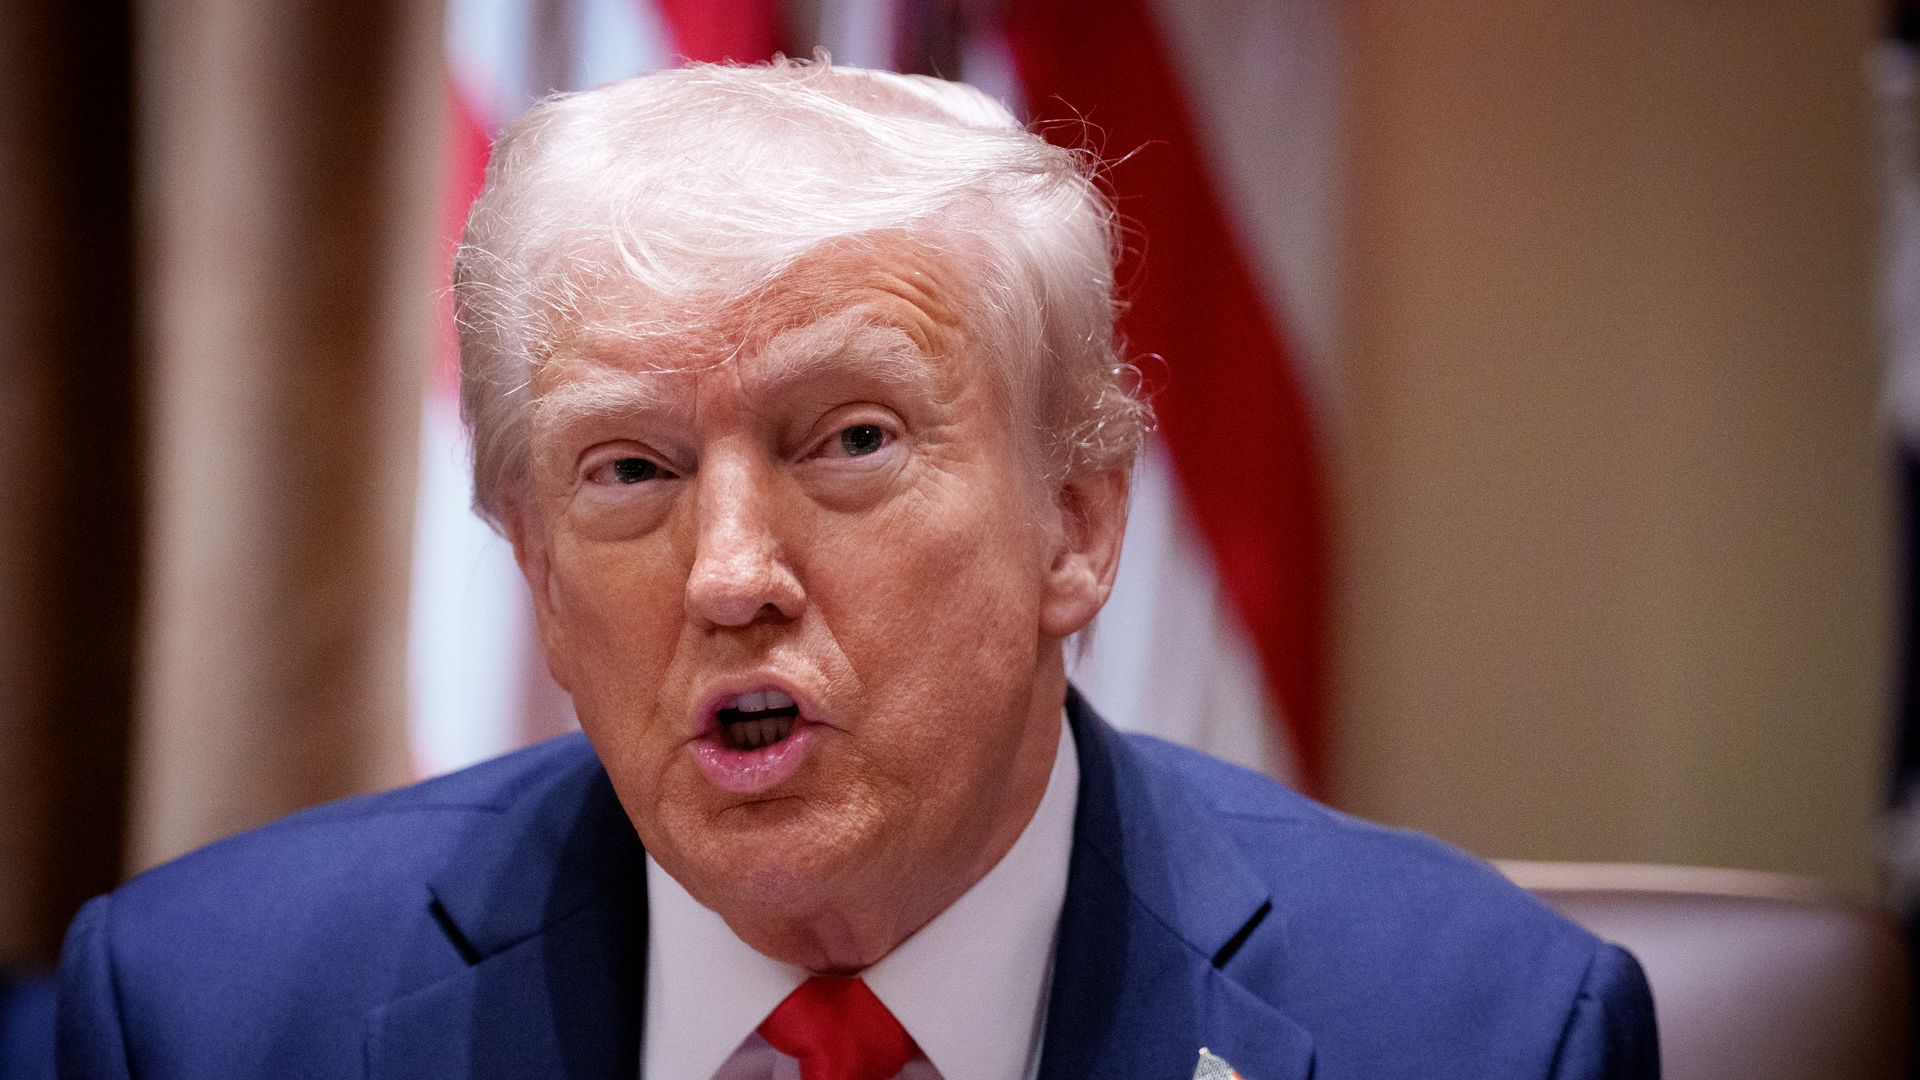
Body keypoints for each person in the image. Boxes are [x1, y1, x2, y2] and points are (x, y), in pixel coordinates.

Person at [56, 59, 1658, 1080]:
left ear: (1079, 527)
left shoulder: (1486, 1035)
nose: (732, 575)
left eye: (852, 442)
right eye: (631, 470)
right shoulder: (208, 1015)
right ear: (536, 571)